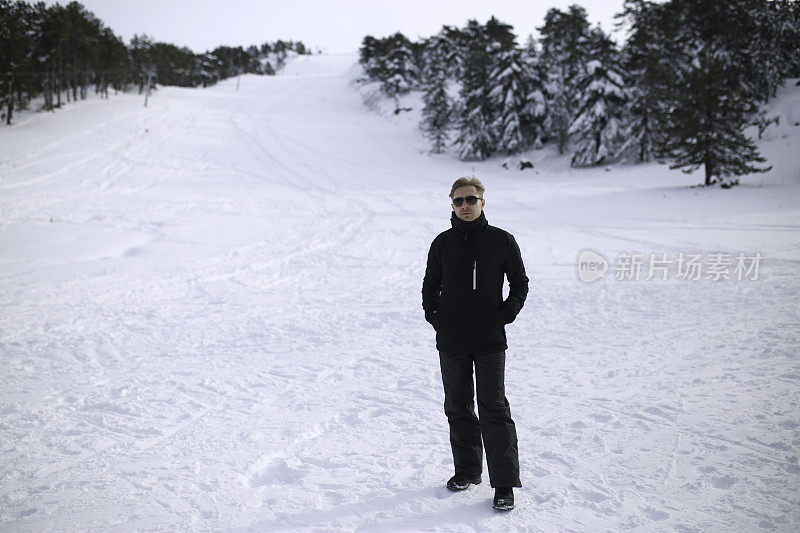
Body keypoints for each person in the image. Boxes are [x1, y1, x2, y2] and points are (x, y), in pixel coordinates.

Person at [422, 176, 528, 511]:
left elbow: (520, 283)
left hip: (489, 340)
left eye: (471, 200)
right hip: (451, 339)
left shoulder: (502, 240)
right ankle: (467, 470)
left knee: (493, 407)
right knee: (457, 405)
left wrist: (504, 315)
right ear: (451, 204)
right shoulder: (442, 243)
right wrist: (435, 316)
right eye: (458, 201)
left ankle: (504, 484)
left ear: (483, 202)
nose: (465, 206)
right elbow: (430, 285)